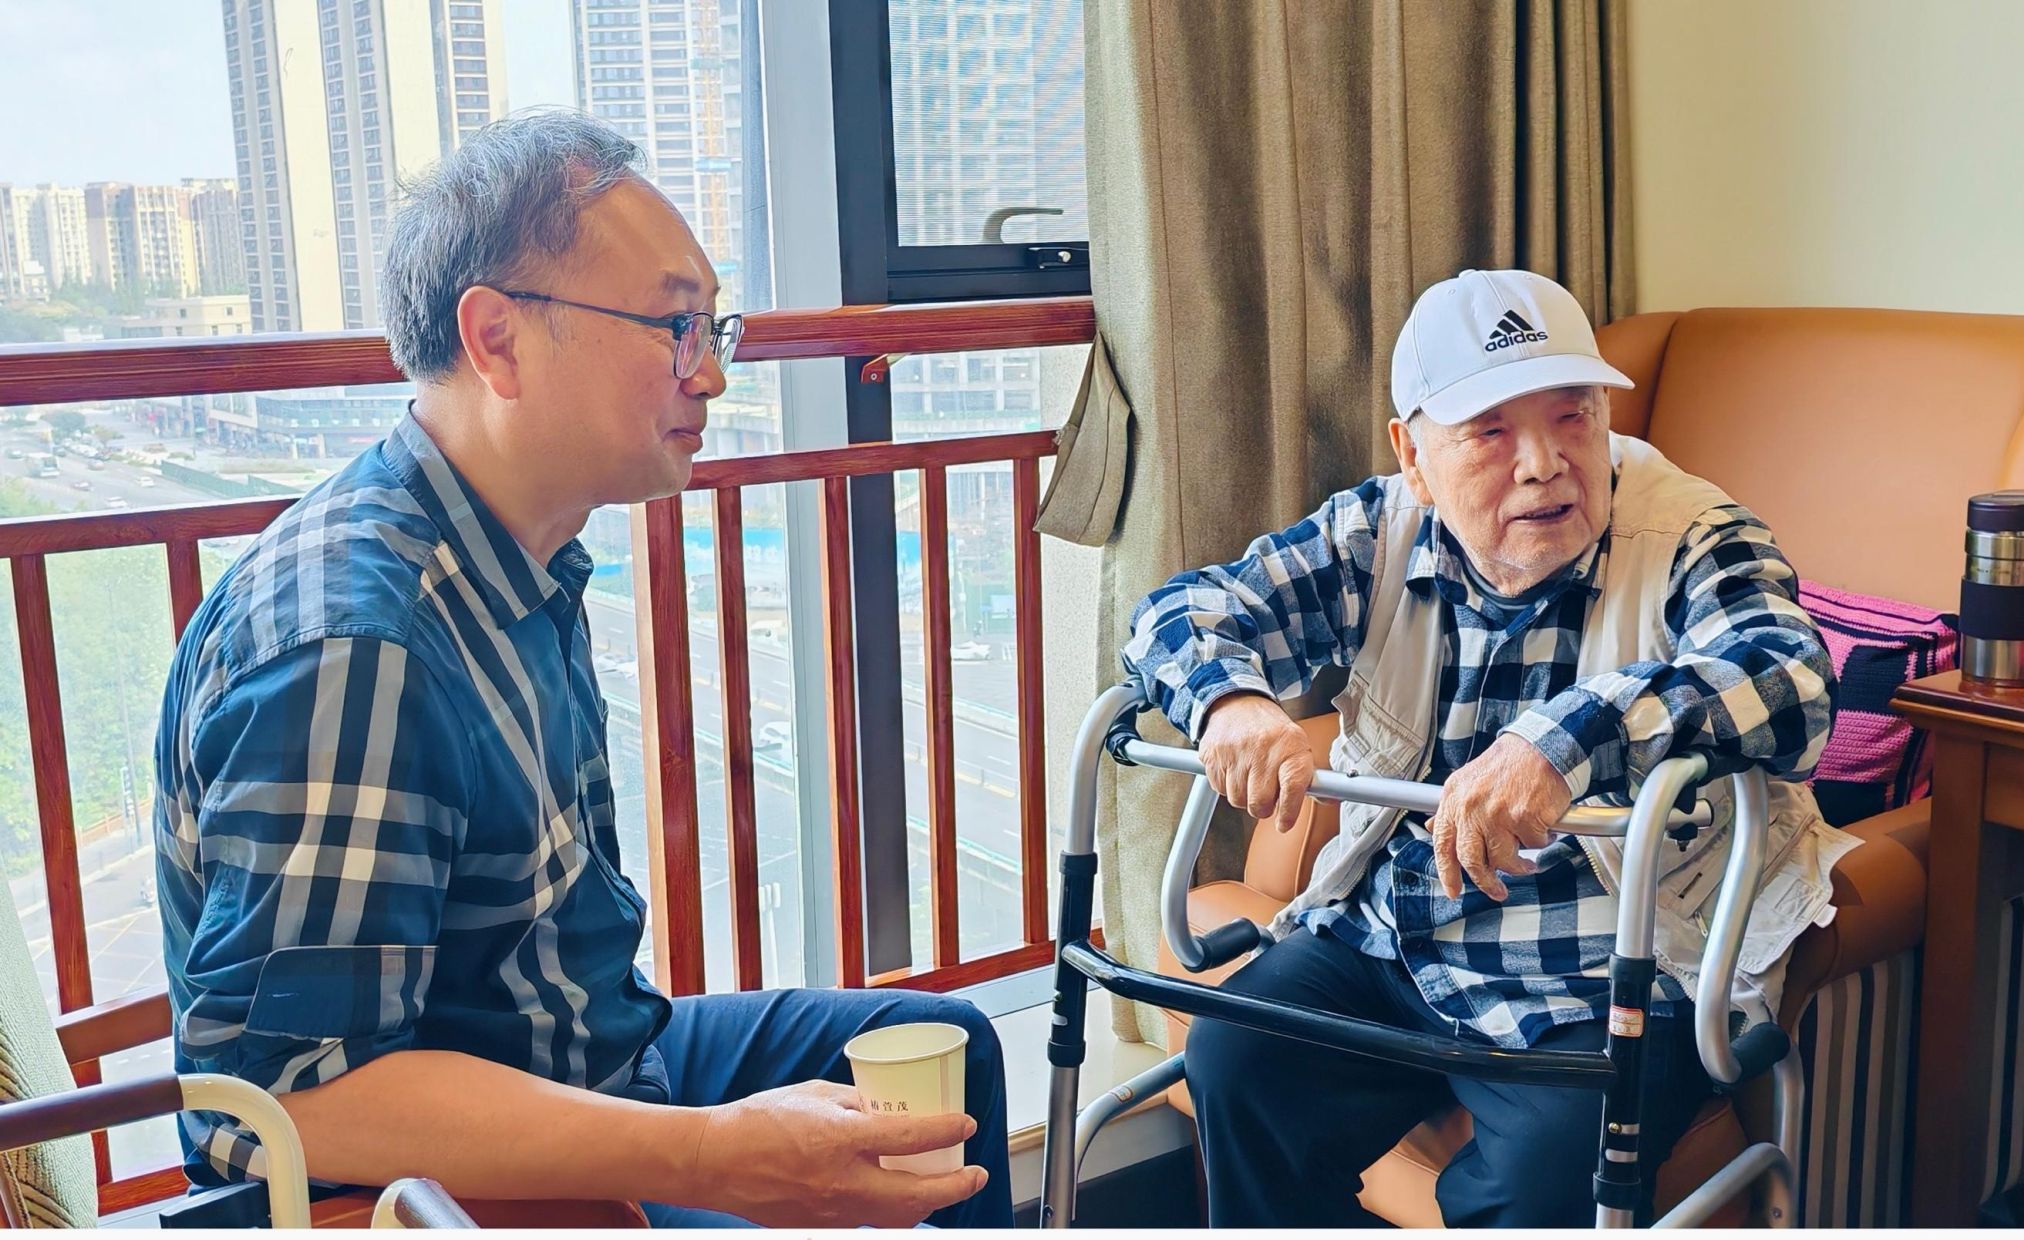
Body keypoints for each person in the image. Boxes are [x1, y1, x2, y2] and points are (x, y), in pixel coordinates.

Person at [152, 111, 1010, 1229]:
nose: (710, 375)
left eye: (714, 327)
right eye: (672, 326)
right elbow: (287, 1099)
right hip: (437, 1190)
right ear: (497, 339)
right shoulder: (359, 647)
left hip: (589, 1060)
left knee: (946, 1051)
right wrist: (704, 1157)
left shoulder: (514, 556)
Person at [1123, 268, 1858, 1227]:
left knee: (1537, 1180)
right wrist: (1230, 702)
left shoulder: (1693, 534)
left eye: (1573, 416)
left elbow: (1791, 679)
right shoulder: (1378, 532)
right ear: (1414, 455)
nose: (1545, 464)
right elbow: (1180, 610)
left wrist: (1566, 737)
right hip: (1399, 938)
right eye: (1491, 431)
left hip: (1618, 969)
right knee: (1235, 1058)